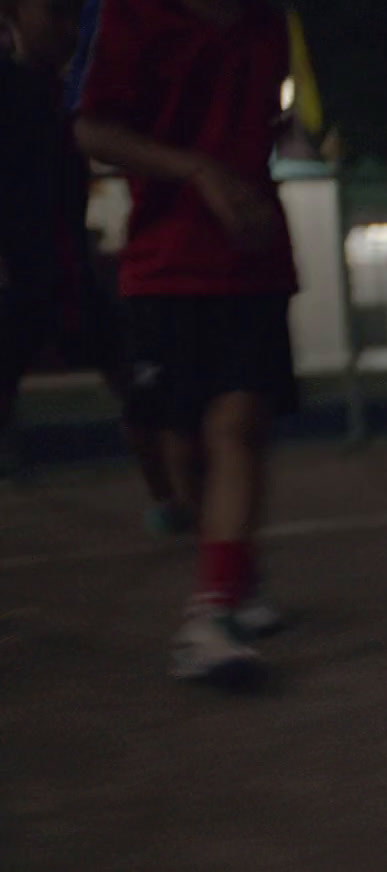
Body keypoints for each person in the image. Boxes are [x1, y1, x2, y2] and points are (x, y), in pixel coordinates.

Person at [75, 0, 296, 684]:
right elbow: (92, 128)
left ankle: (213, 611)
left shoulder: (267, 20)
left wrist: (270, 148)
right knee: (184, 442)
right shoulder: (134, 14)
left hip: (252, 256)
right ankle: (233, 570)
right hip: (167, 260)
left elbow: (260, 122)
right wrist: (197, 169)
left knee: (239, 423)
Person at [0, 0, 183, 519]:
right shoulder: (9, 87)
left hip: (71, 267)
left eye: (72, 18)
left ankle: (167, 500)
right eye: (54, 16)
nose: (67, 29)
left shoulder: (74, 87)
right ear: (12, 16)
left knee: (137, 385)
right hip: (19, 273)